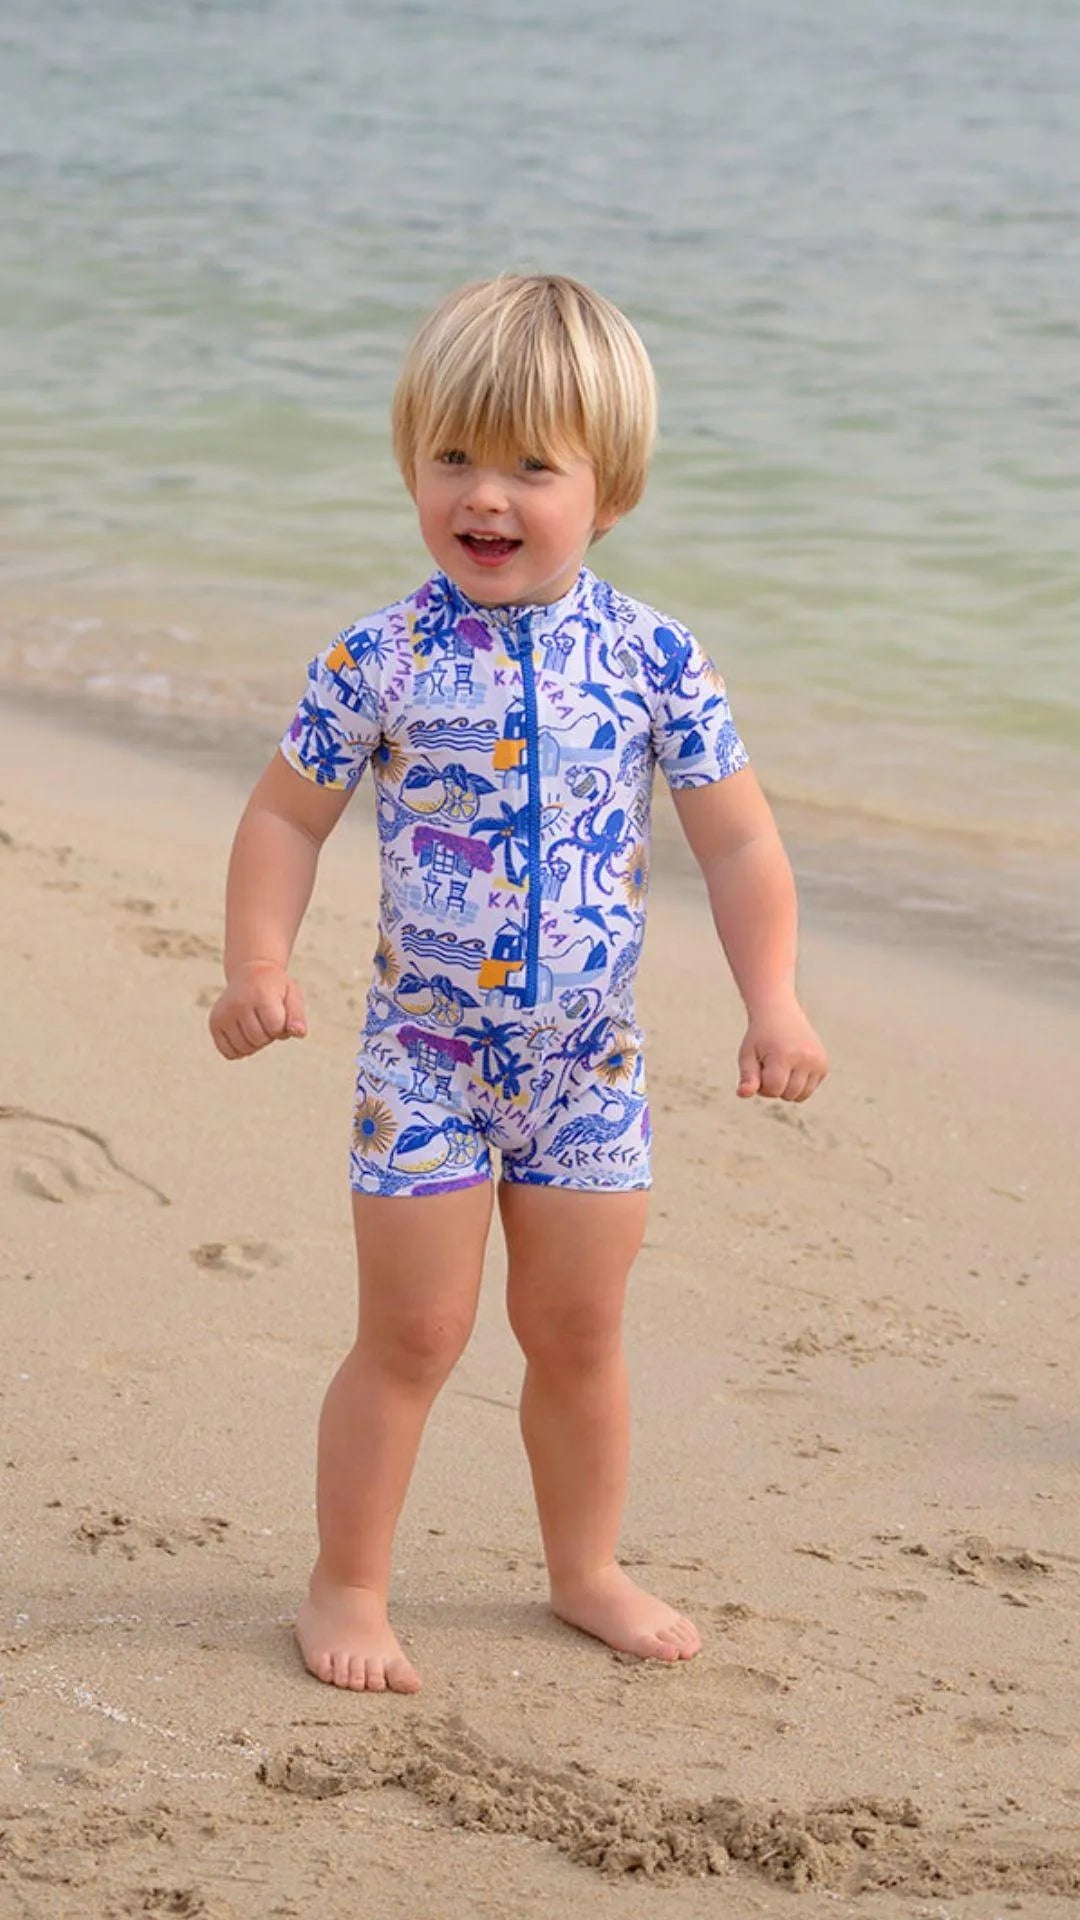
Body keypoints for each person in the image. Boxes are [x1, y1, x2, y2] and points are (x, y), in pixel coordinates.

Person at [209, 273, 828, 1695]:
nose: (485, 497)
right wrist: (257, 963)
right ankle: (348, 1582)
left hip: (587, 1067)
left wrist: (774, 999)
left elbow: (739, 843)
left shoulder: (657, 658)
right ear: (413, 464)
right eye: (452, 459)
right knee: (413, 1334)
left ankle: (584, 1568)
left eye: (531, 465)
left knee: (578, 1331)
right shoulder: (378, 656)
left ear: (610, 489)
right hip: (422, 1058)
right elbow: (282, 817)